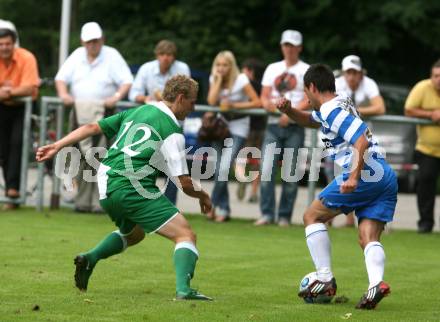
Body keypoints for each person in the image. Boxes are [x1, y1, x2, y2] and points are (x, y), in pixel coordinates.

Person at [36, 75, 213, 300]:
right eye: (192, 102)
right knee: (186, 235)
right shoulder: (171, 130)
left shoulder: (137, 112)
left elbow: (92, 126)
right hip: (131, 185)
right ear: (180, 98)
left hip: (106, 182)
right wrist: (204, 196)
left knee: (135, 234)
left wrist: (58, 144)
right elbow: (184, 182)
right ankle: (184, 290)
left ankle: (90, 258)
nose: (193, 107)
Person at [278, 63, 397, 309]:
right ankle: (376, 284)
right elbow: (312, 121)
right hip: (384, 174)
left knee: (312, 216)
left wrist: (353, 177)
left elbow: (361, 139)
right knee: (368, 237)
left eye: (304, 91)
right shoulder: (337, 103)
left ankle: (324, 278)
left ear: (311, 86)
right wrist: (290, 111)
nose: (305, 97)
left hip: (365, 173)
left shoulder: (332, 110)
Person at [55, 22, 133, 213]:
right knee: (81, 156)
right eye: (89, 41)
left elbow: (126, 81)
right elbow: (61, 79)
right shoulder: (76, 56)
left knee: (103, 156)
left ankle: (101, 202)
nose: (93, 44)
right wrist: (64, 95)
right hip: (79, 113)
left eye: (96, 40)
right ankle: (82, 201)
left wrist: (115, 98)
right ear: (83, 41)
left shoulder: (112, 55)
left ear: (102, 40)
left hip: (104, 114)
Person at [254, 30, 310, 227]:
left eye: (293, 45)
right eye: (286, 45)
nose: (289, 49)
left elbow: (309, 98)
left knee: (290, 174)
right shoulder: (272, 68)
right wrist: (269, 107)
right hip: (272, 125)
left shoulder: (306, 69)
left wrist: (290, 113)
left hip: (295, 126)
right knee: (266, 169)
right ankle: (267, 214)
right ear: (282, 46)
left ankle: (284, 216)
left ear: (299, 48)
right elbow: (264, 95)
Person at [129, 39, 190, 206]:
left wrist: (164, 100)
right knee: (145, 164)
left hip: (173, 125)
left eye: (169, 55)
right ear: (157, 55)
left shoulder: (182, 69)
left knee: (174, 169)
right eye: (162, 55)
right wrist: (146, 98)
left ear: (174, 57)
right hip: (151, 124)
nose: (165, 58)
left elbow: (186, 96)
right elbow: (133, 93)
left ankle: (169, 206)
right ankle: (144, 202)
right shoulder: (146, 68)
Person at [330, 55, 386, 227]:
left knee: (357, 175)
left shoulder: (369, 83)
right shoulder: (336, 83)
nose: (352, 76)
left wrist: (356, 110)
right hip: (338, 135)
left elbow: (380, 107)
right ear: (344, 73)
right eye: (349, 72)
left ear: (361, 73)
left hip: (360, 136)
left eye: (355, 72)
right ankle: (330, 215)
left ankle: (349, 218)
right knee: (334, 174)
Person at [205, 50, 261, 222]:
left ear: (231, 66)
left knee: (223, 169)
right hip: (220, 128)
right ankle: (225, 210)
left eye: (225, 65)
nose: (221, 68)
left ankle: (211, 205)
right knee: (217, 170)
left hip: (238, 127)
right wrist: (219, 80)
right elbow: (211, 101)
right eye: (219, 65)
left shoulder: (241, 79)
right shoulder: (214, 78)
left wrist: (235, 105)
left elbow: (257, 102)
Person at [0, 28, 39, 210]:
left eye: (8, 44)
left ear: (14, 44)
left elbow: (29, 88)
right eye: (1, 44)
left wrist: (7, 92)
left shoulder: (27, 58)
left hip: (24, 107)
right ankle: (11, 190)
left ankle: (13, 190)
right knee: (3, 148)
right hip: (2, 108)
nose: (4, 47)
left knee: (18, 143)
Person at [404, 59, 440, 234]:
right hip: (427, 149)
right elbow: (408, 110)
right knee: (425, 183)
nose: (439, 79)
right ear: (431, 76)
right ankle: (425, 224)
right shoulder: (422, 88)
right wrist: (430, 114)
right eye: (436, 75)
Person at [236, 58, 266, 203]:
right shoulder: (262, 86)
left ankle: (242, 180)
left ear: (249, 71)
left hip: (245, 126)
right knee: (256, 161)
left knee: (241, 157)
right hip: (260, 127)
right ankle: (254, 191)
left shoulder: (245, 85)